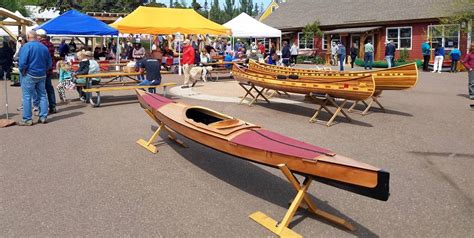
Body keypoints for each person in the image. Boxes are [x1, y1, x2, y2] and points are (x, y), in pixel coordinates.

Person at [18, 30, 52, 125]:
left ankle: (27, 119)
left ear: (28, 38)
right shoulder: (44, 47)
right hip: (41, 74)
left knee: (27, 97)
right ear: (36, 37)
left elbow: (22, 63)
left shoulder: (26, 46)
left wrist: (23, 71)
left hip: (29, 74)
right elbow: (49, 63)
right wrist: (44, 69)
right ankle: (43, 117)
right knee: (42, 95)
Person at [37, 30, 57, 114]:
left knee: (41, 91)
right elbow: (52, 57)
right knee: (49, 88)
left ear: (40, 36)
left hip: (40, 70)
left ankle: (42, 109)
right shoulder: (51, 44)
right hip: (49, 69)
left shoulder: (39, 45)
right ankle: (53, 106)